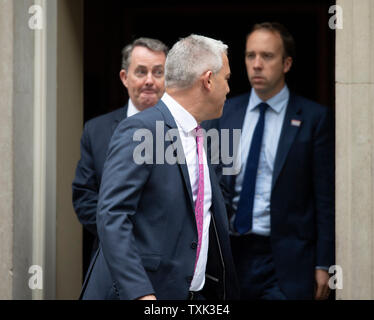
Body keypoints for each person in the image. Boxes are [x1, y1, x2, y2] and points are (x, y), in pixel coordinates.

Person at [80, 34, 239, 300]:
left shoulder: (202, 133)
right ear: (208, 80)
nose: (229, 89)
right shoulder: (140, 129)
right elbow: (112, 216)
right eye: (227, 79)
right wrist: (142, 295)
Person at [205, 22, 335, 300]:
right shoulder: (224, 113)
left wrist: (324, 263)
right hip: (231, 253)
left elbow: (325, 198)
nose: (257, 64)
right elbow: (210, 182)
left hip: (286, 261)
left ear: (287, 63)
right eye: (251, 56)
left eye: (267, 56)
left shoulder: (314, 118)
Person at [72, 37, 168, 265]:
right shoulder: (96, 131)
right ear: (125, 78)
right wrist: (121, 234)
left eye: (158, 72)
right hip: (111, 260)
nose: (149, 81)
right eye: (141, 72)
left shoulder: (186, 131)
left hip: (169, 262)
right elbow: (84, 197)